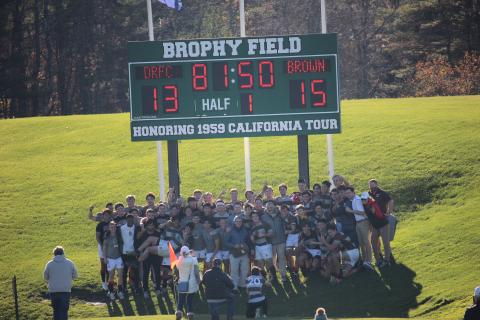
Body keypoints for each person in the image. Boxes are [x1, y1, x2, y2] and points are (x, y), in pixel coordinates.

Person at [43, 246, 78, 320]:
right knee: (64, 311)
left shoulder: (49, 264)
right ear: (63, 253)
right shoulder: (70, 263)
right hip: (65, 290)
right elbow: (75, 276)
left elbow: (45, 277)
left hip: (53, 290)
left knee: (56, 311)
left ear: (54, 254)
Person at [225, 216, 251, 292]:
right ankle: (235, 286)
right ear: (234, 222)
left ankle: (242, 284)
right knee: (234, 270)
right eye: (237, 221)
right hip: (234, 252)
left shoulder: (245, 230)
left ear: (242, 222)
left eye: (240, 221)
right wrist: (233, 245)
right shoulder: (230, 230)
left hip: (244, 252)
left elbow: (248, 241)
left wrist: (250, 249)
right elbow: (226, 242)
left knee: (244, 269)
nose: (238, 222)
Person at [175, 246, 201, 320]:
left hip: (182, 282)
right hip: (192, 283)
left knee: (181, 300)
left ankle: (179, 314)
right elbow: (196, 272)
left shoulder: (179, 260)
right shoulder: (193, 259)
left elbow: (176, 271)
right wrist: (198, 280)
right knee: (190, 300)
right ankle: (190, 315)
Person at [103, 221, 125, 300]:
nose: (113, 229)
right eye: (111, 227)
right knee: (111, 276)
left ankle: (120, 291)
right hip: (110, 259)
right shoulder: (107, 236)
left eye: (114, 227)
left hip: (118, 257)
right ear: (109, 228)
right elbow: (104, 248)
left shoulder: (118, 235)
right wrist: (105, 258)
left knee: (120, 275)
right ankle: (111, 292)